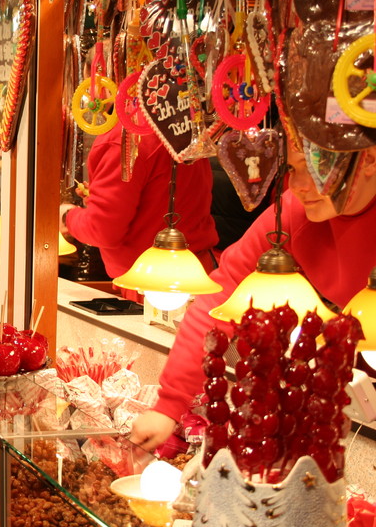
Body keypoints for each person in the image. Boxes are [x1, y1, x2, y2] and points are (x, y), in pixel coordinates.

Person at [129, 140, 376, 451]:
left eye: (315, 168)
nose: (298, 185)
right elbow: (220, 296)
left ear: (368, 160)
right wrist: (169, 405)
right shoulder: (293, 214)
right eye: (292, 169)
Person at [59, 125, 218, 300]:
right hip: (196, 271)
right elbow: (166, 195)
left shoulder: (122, 139)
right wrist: (101, 198)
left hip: (150, 284)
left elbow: (103, 230)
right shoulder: (180, 127)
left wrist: (67, 217)